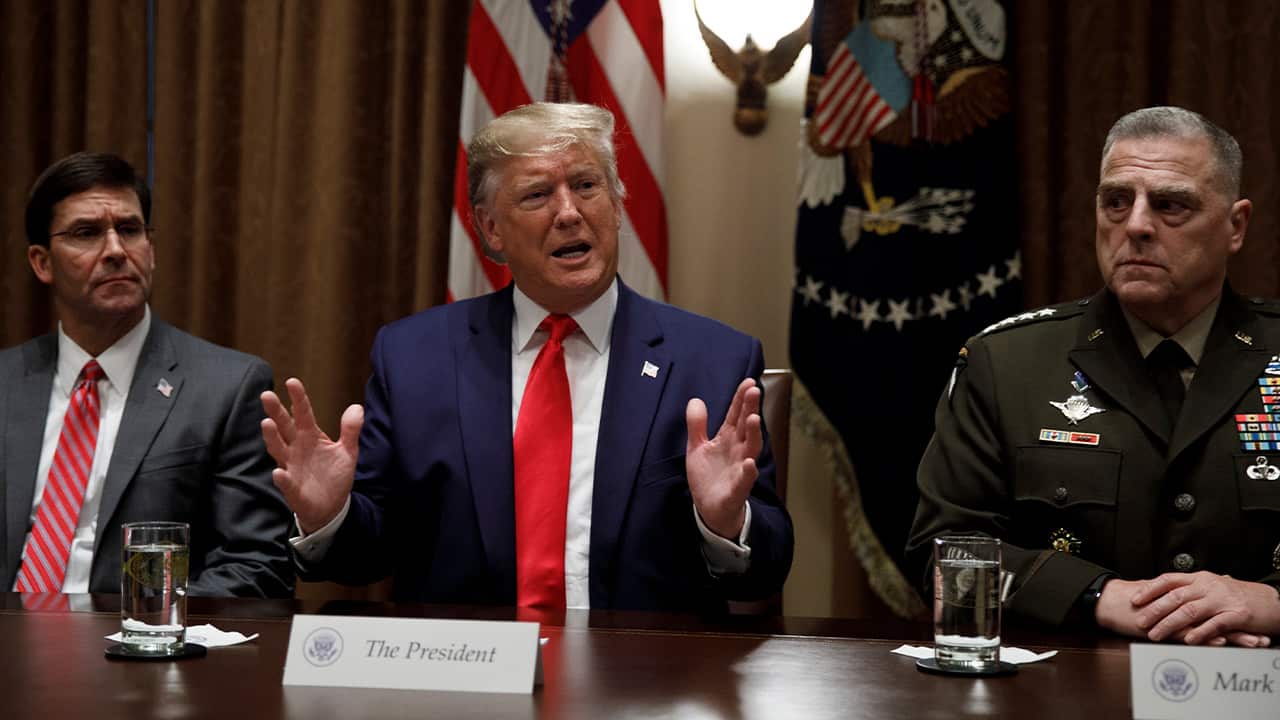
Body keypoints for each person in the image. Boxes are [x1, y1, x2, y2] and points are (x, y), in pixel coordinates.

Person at [262, 102, 793, 612]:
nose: (569, 213)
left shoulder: (714, 360)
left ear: (617, 203)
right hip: (469, 681)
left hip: (642, 683)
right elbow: (368, 557)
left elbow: (768, 569)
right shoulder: (414, 357)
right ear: (491, 229)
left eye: (587, 186)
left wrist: (727, 524)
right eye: (538, 195)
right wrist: (329, 516)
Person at [909, 106, 1280, 646]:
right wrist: (1095, 595)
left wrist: (1270, 601)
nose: (1135, 226)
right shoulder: (1008, 362)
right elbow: (939, 554)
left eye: (1171, 205)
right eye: (1116, 202)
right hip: (1066, 682)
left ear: (1236, 225)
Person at [0, 152, 294, 598]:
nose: (116, 250)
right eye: (86, 233)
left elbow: (256, 565)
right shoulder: (5, 384)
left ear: (150, 250)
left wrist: (144, 625)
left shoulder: (228, 388)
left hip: (141, 653)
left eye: (130, 230)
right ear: (41, 262)